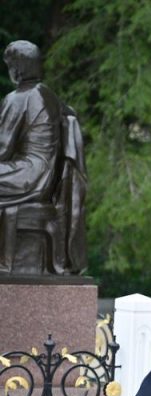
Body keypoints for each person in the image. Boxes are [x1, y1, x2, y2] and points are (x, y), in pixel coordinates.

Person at [0, 40, 87, 276]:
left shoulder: (18, 98)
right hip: (47, 178)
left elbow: (2, 149)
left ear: (17, 67)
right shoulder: (51, 96)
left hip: (27, 174)